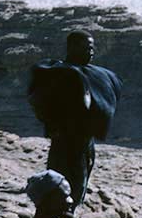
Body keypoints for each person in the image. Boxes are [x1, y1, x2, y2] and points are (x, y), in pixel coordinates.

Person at [27, 31, 122, 208]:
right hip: (64, 144)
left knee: (79, 188)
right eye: (86, 47)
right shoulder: (56, 73)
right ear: (72, 47)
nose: (91, 51)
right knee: (59, 188)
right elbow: (39, 100)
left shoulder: (94, 75)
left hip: (85, 144)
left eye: (92, 48)